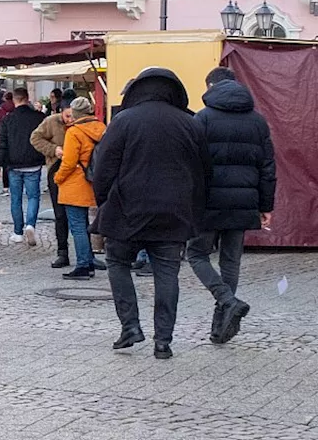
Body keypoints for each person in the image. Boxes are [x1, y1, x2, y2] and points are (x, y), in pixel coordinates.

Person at [94, 67, 211, 360]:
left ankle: (130, 326)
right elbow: (204, 174)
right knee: (167, 274)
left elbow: (103, 168)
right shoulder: (190, 122)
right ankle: (163, 341)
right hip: (173, 214)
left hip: (126, 211)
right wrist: (194, 210)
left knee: (117, 262)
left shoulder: (124, 120)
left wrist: (104, 200)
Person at [188, 67, 275, 344]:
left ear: (210, 86)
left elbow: (192, 166)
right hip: (244, 201)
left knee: (196, 254)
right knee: (231, 260)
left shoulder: (202, 119)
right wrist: (265, 205)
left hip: (209, 201)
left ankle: (227, 300)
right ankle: (221, 325)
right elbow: (267, 168)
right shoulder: (258, 122)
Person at [54, 98, 107, 279]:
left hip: (75, 183)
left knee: (77, 226)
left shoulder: (74, 132)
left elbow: (68, 162)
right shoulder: (101, 128)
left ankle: (83, 265)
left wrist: (58, 178)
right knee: (84, 225)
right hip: (93, 180)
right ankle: (89, 262)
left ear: (76, 113)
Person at [0, 88, 46, 247]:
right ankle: (30, 225)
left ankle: (17, 232)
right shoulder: (39, 117)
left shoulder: (8, 119)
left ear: (14, 100)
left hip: (13, 164)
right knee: (33, 196)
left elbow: (2, 144)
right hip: (33, 162)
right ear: (27, 98)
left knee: (15, 199)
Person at [31, 105, 73, 268]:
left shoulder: (79, 123)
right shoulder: (51, 122)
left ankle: (86, 254)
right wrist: (53, 150)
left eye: (73, 116)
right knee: (60, 214)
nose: (70, 119)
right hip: (56, 168)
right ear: (62, 112)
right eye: (68, 115)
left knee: (78, 215)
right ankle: (62, 252)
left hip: (76, 170)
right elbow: (35, 138)